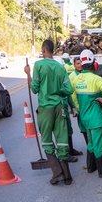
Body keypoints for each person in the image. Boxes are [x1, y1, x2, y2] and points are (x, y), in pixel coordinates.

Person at [25, 39, 74, 185]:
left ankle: (57, 172)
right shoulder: (60, 67)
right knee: (62, 141)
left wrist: (28, 73)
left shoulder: (39, 65)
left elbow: (34, 89)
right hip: (59, 107)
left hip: (45, 108)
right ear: (53, 50)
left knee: (47, 141)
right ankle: (67, 176)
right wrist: (57, 91)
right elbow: (69, 90)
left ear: (43, 49)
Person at [71, 49, 102, 178]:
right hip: (96, 118)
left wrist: (79, 108)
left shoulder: (76, 79)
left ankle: (91, 167)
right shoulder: (95, 79)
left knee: (90, 143)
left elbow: (73, 97)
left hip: (85, 118)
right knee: (99, 144)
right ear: (94, 64)